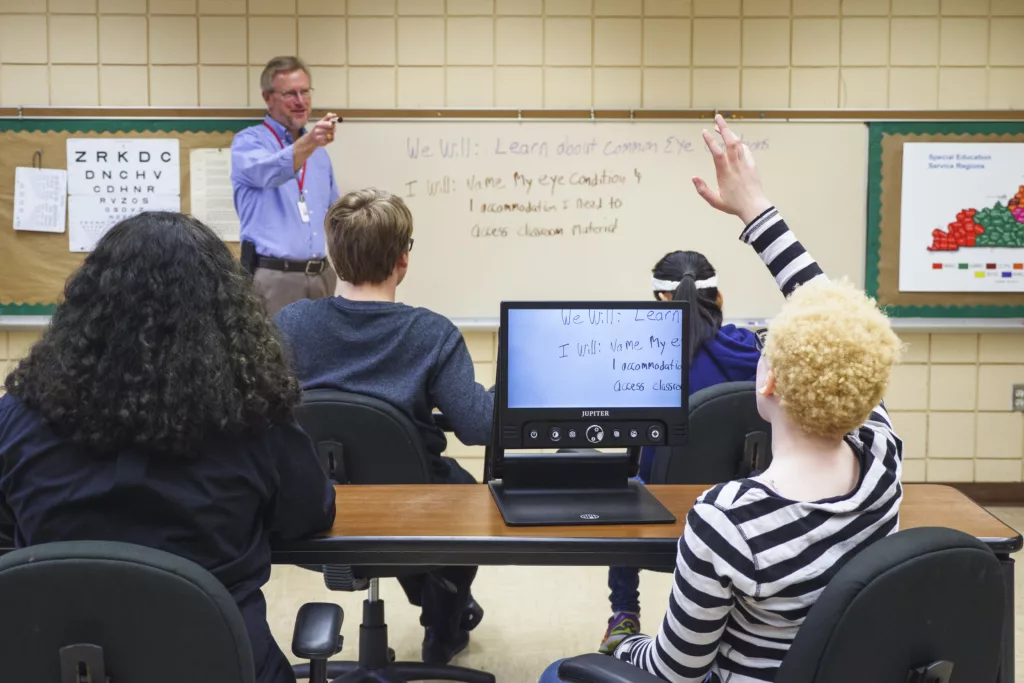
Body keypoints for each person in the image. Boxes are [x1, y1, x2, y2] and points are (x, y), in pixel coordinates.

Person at [542, 114, 903, 683]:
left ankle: (621, 617)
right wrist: (753, 205)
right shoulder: (885, 462)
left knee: (557, 672)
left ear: (771, 383)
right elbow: (832, 315)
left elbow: (677, 671)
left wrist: (627, 647)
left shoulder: (725, 521)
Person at [0, 212, 337, 683]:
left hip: (60, 662)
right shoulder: (254, 419)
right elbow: (310, 515)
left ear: (88, 304)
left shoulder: (20, 415)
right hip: (218, 663)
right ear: (227, 310)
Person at [274, 189, 493, 665]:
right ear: (402, 259)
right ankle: (443, 625)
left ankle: (441, 605)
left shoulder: (290, 324)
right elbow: (478, 426)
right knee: (461, 493)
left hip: (317, 503)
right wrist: (510, 388)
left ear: (333, 256)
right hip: (414, 512)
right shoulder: (431, 334)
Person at [600, 251, 764, 653]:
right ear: (719, 299)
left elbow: (629, 444)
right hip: (737, 514)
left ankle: (624, 614)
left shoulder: (641, 357)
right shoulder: (752, 352)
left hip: (656, 510)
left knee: (625, 482)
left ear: (659, 301)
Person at [231, 55, 341, 316]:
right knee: (273, 354)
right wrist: (311, 142)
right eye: (290, 94)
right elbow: (269, 172)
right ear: (268, 98)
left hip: (321, 275)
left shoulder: (320, 155)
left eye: (305, 92)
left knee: (321, 354)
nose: (300, 102)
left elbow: (334, 211)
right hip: (273, 277)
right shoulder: (248, 143)